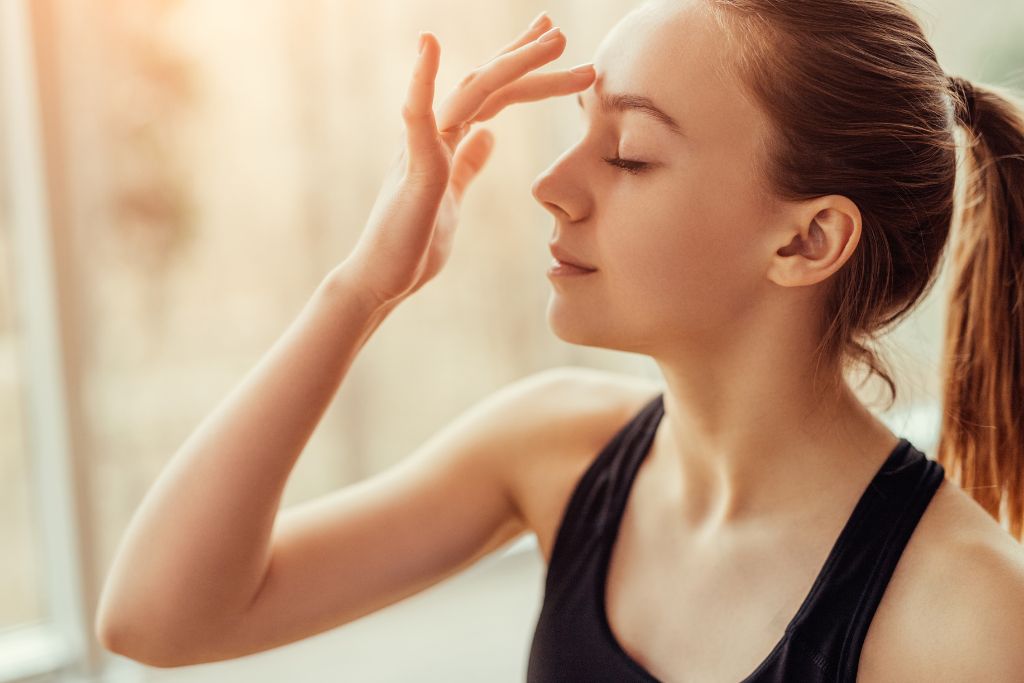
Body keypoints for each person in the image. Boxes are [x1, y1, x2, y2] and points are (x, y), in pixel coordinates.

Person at [95, 1, 1024, 680]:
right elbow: (159, 617)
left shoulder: (969, 616)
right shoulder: (556, 449)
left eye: (626, 154)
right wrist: (364, 287)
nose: (549, 182)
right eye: (579, 131)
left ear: (806, 239)